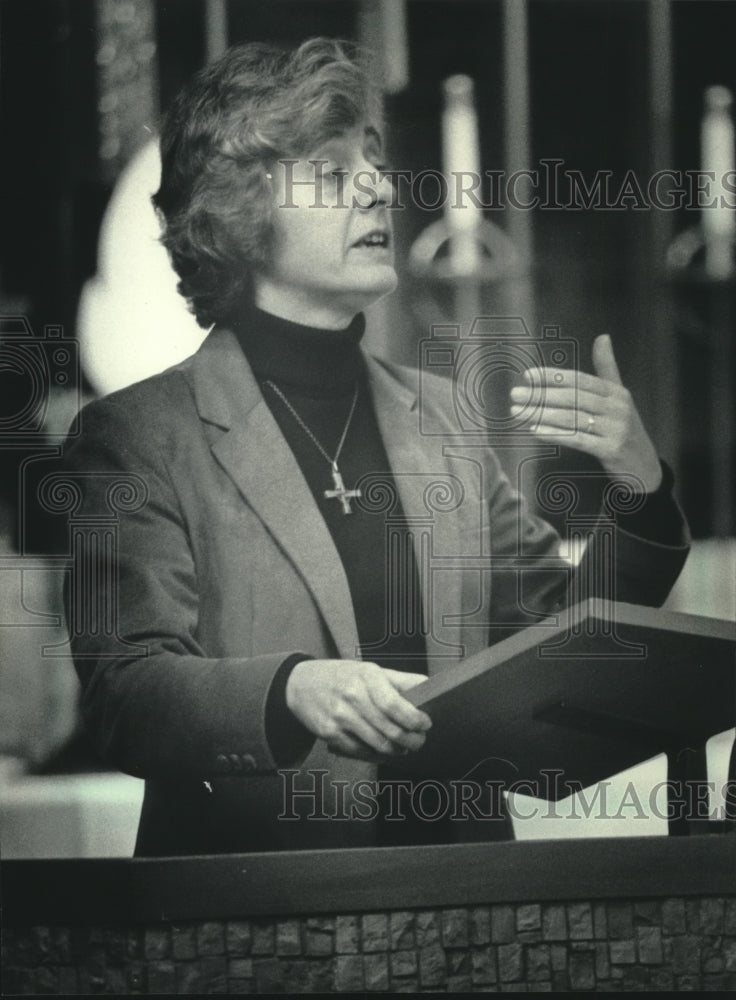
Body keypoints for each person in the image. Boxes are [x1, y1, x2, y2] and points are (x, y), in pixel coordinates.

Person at [62, 38, 690, 856]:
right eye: (331, 171)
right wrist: (290, 691)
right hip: (251, 928)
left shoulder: (443, 417)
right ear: (237, 215)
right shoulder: (138, 437)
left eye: (373, 161)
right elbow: (125, 694)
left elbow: (558, 647)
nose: (378, 186)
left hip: (459, 912)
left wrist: (640, 491)